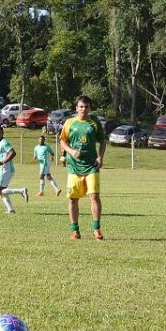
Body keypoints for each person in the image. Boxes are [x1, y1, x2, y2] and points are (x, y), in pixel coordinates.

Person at [59, 95, 106, 241]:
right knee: (73, 199)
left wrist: (100, 157)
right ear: (76, 108)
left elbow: (103, 141)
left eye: (86, 107)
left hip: (92, 166)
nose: (84, 109)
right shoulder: (69, 123)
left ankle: (96, 229)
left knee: (94, 196)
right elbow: (62, 141)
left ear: (90, 108)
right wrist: (71, 151)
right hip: (74, 167)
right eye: (81, 106)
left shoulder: (94, 122)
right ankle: (75, 231)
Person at [0, 124, 29, 214]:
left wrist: (3, 162)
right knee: (2, 191)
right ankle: (10, 209)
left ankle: (21, 191)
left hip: (6, 169)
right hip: (5, 169)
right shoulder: (1, 143)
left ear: (2, 133)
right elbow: (2, 158)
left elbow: (13, 153)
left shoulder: (4, 143)